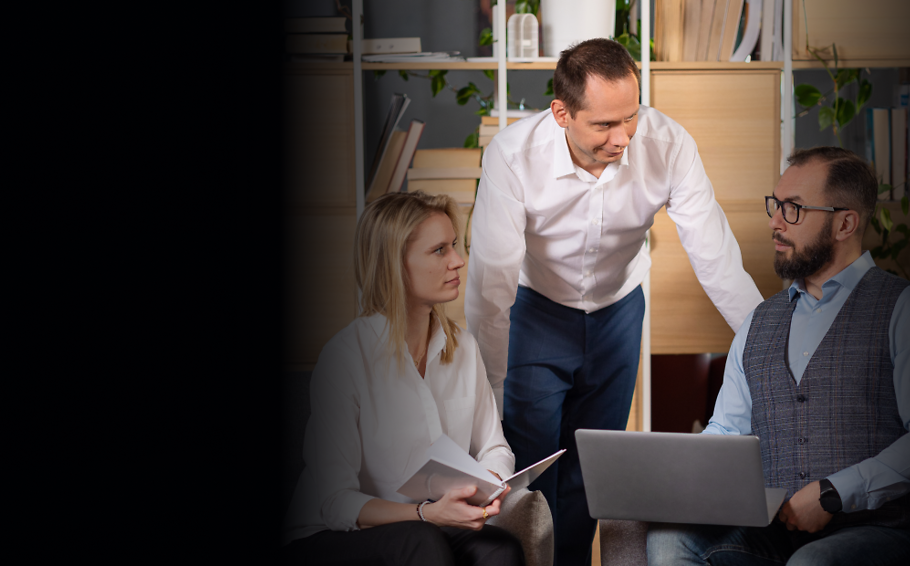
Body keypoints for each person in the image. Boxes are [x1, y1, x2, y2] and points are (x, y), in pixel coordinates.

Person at [465, 38, 765, 565]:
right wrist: (487, 392)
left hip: (619, 310)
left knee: (592, 464)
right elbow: (491, 287)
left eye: (631, 117)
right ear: (561, 113)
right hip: (536, 311)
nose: (623, 136)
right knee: (533, 464)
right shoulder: (513, 156)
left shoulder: (668, 143)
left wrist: (769, 350)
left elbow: (716, 256)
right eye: (604, 125)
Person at [644, 147, 910, 565]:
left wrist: (834, 493)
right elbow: (726, 430)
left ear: (845, 223)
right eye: (776, 205)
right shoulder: (758, 321)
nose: (776, 222)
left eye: (794, 209)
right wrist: (672, 478)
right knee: (668, 541)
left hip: (877, 529)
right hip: (773, 532)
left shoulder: (908, 310)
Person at [283, 192, 524, 566]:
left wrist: (488, 483)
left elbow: (495, 447)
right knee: (421, 542)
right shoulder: (346, 357)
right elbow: (335, 502)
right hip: (336, 534)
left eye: (455, 246)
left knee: (501, 550)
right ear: (395, 264)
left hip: (429, 526)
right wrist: (427, 515)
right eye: (439, 251)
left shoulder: (462, 347)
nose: (458, 261)